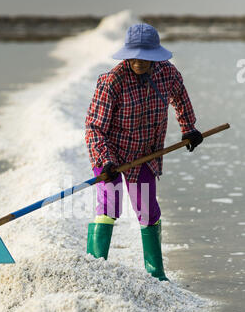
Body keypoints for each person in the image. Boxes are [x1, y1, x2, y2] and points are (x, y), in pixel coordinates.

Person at [85, 23, 203, 281]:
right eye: (134, 56)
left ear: (156, 56)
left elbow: (181, 100)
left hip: (145, 155)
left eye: (145, 57)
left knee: (148, 210)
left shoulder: (168, 74)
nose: (139, 61)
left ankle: (156, 274)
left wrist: (188, 128)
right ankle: (93, 271)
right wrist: (105, 162)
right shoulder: (112, 81)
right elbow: (94, 128)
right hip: (110, 155)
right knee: (109, 206)